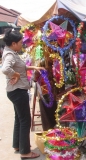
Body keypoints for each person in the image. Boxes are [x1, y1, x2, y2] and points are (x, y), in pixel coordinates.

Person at [1, 28, 45, 159]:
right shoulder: (9, 55)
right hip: (18, 92)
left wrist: (33, 67)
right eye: (20, 42)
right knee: (25, 120)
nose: (22, 44)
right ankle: (25, 152)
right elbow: (5, 69)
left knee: (19, 119)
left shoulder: (11, 52)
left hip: (14, 92)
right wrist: (15, 74)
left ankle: (17, 145)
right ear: (13, 43)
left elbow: (20, 66)